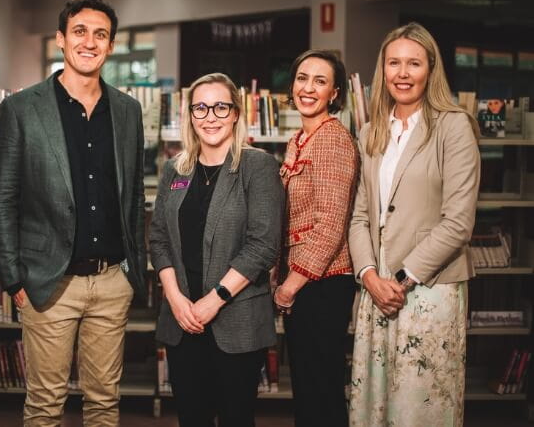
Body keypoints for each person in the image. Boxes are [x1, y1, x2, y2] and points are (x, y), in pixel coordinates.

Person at [0, 0, 146, 427]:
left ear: (111, 45)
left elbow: (134, 197)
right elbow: (1, 197)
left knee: (104, 403)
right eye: (79, 31)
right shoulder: (22, 109)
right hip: (48, 282)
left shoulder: (128, 111)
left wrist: (135, 272)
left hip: (112, 281)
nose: (90, 42)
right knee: (45, 405)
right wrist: (13, 277)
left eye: (100, 34)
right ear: (60, 39)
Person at [348, 22, 480, 426]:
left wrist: (401, 278)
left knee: (420, 409)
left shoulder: (453, 126)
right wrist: (370, 275)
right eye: (394, 63)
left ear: (431, 69)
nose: (402, 73)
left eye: (413, 63)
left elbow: (458, 222)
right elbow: (360, 217)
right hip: (376, 292)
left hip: (427, 290)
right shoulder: (371, 132)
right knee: (376, 406)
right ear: (382, 70)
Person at [150, 72, 284, 427]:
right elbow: (159, 238)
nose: (210, 116)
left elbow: (263, 245)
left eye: (221, 107)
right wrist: (176, 299)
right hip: (182, 321)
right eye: (201, 108)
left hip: (236, 321)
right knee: (191, 418)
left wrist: (215, 299)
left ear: (237, 113)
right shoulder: (174, 170)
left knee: (236, 418)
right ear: (190, 115)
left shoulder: (258, 166)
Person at [272, 49, 359, 427]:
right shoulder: (300, 138)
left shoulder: (332, 140)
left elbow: (330, 225)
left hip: (322, 283)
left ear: (335, 93)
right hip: (306, 281)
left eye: (320, 81)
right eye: (302, 78)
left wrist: (289, 286)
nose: (308, 88)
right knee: (307, 387)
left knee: (320, 389)